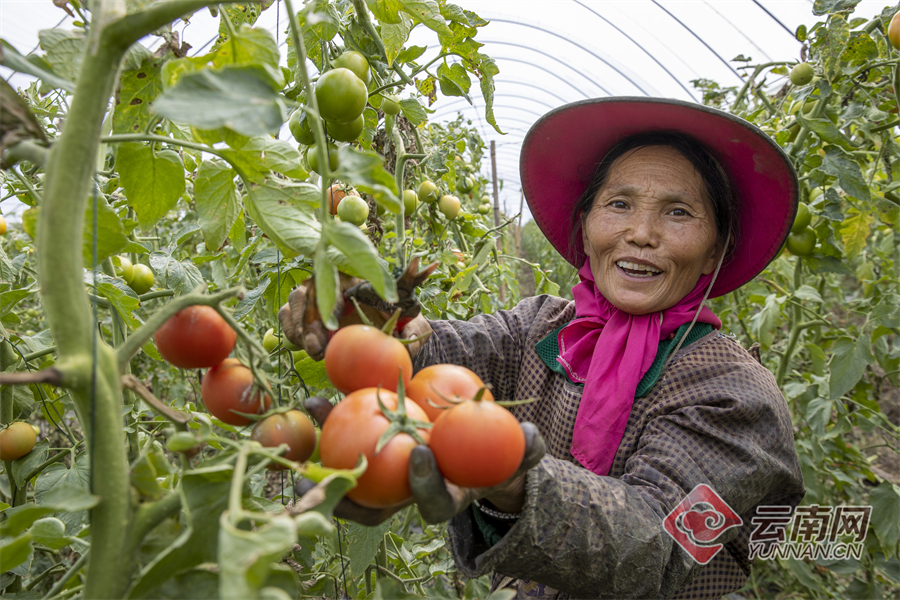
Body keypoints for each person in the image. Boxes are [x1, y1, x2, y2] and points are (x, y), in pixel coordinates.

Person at [281, 97, 806, 599]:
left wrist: (514, 483)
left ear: (715, 250)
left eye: (678, 213)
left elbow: (658, 541)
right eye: (619, 204)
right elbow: (452, 353)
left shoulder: (736, 398)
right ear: (586, 224)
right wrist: (380, 332)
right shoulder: (545, 329)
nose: (641, 233)